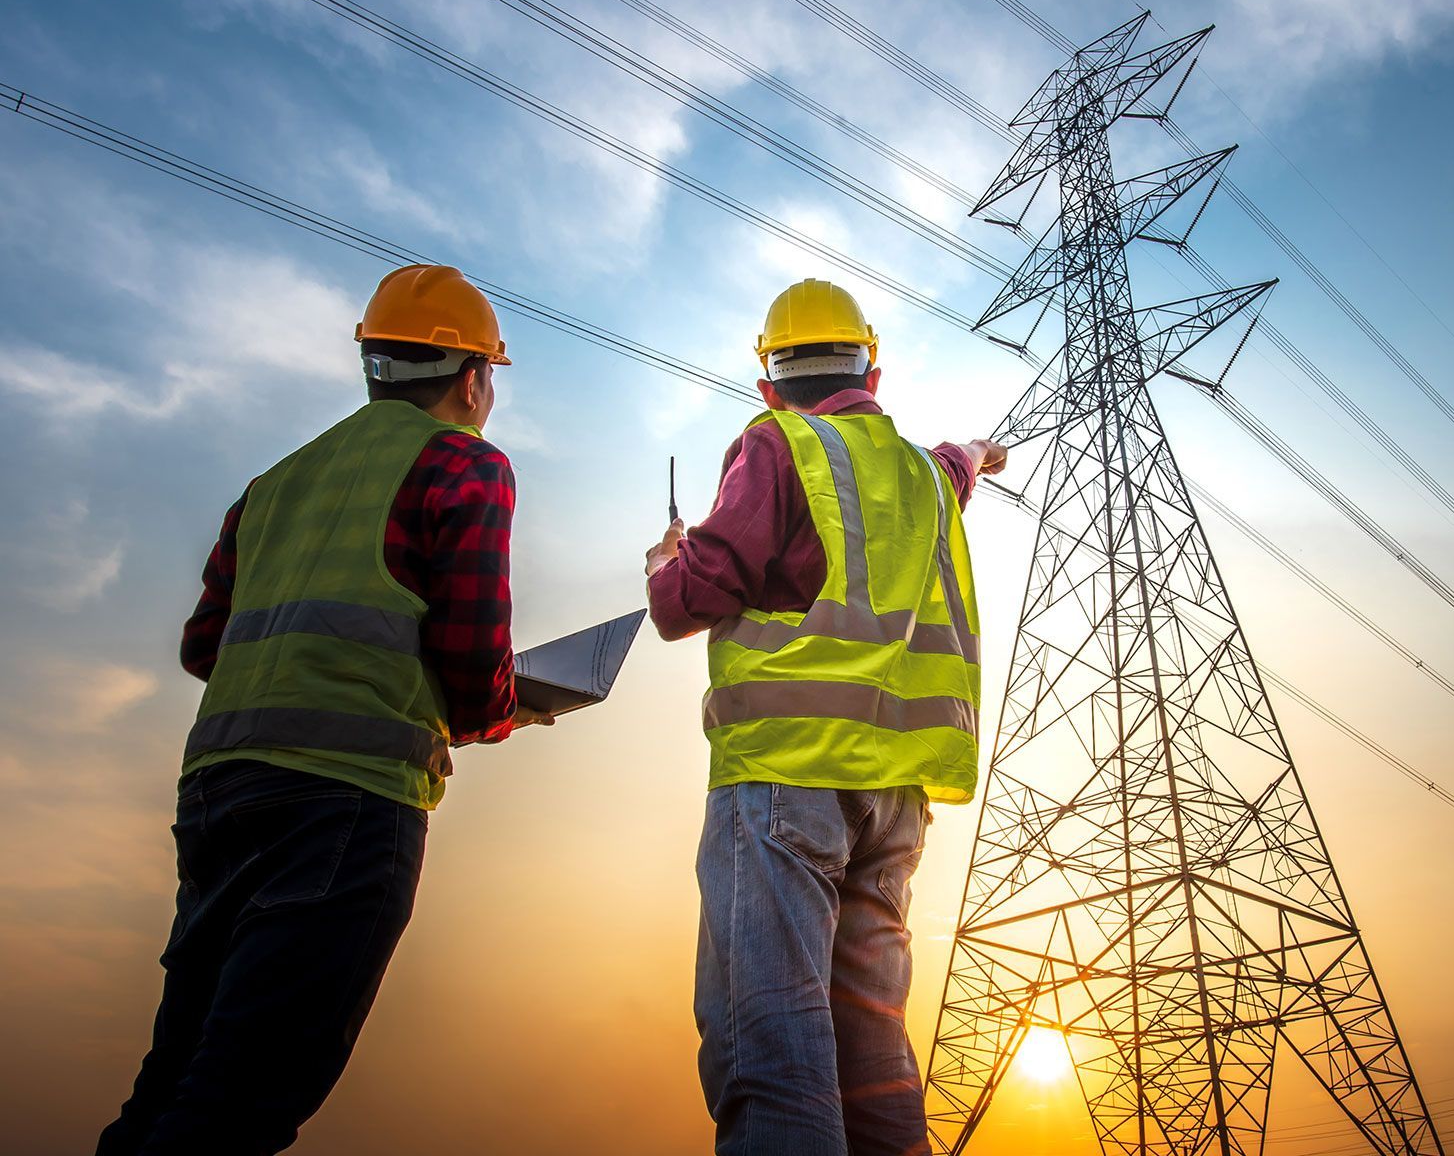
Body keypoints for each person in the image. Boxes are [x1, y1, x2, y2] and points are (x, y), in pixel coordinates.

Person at [99, 264, 553, 1155]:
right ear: (471, 379)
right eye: (490, 376)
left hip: (217, 795)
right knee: (241, 1102)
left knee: (175, 1077)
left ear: (374, 366)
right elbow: (468, 661)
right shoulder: (465, 465)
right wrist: (509, 709)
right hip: (344, 805)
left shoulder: (273, 485)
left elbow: (206, 646)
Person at [647, 278, 1008, 1156]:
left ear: (766, 384)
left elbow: (691, 596)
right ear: (871, 376)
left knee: (772, 1047)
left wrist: (666, 560)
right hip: (894, 799)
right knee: (872, 1047)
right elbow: (956, 467)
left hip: (788, 779)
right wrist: (975, 454)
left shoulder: (775, 445)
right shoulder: (922, 472)